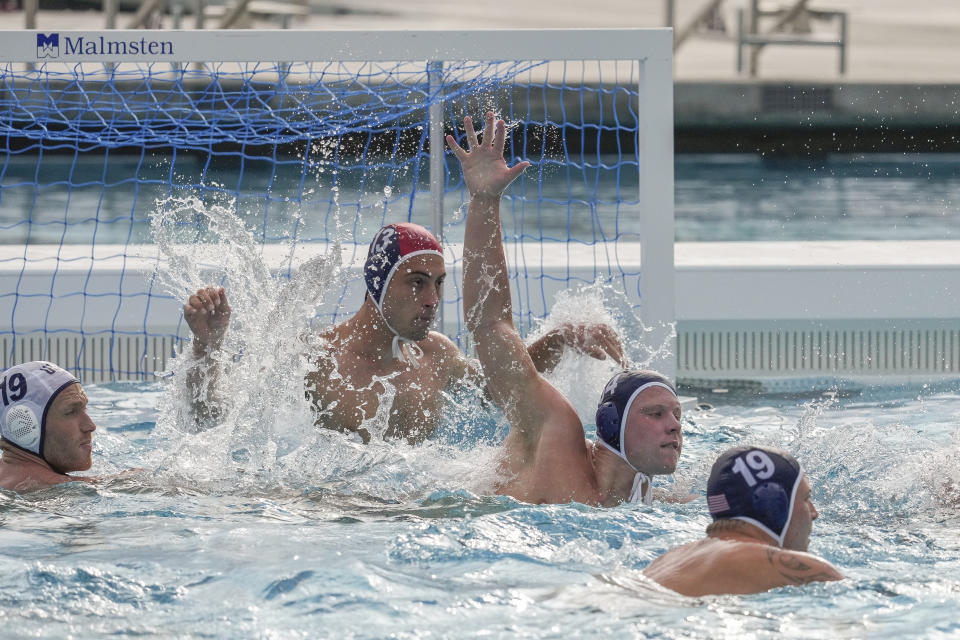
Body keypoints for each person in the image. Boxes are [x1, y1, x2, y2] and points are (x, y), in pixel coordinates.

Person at [184, 224, 624, 444]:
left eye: (438, 283)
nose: (433, 299)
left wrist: (560, 338)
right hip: (329, 521)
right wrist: (206, 347)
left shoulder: (437, 355)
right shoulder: (312, 357)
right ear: (377, 285)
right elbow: (214, 424)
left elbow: (503, 391)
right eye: (416, 282)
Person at [447, 111, 682, 505]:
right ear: (611, 424)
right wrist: (485, 200)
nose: (674, 426)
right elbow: (491, 327)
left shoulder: (648, 495)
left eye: (675, 414)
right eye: (656, 415)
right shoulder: (557, 437)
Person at [643, 445, 843, 596]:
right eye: (806, 499)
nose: (814, 512)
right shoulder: (809, 570)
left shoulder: (667, 560)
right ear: (774, 504)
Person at [0, 361, 98, 491]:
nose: (90, 426)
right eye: (71, 412)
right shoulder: (51, 488)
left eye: (84, 409)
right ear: (25, 426)